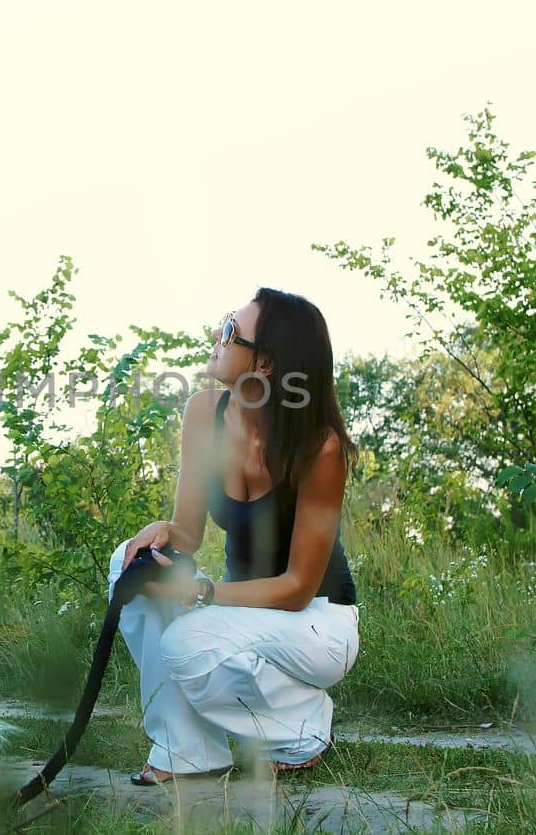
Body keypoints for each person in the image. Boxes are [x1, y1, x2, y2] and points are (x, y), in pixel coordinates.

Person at [111, 288, 361, 784]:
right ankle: (186, 751)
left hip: (318, 623)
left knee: (186, 642)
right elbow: (187, 531)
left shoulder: (320, 448)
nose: (216, 336)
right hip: (239, 616)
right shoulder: (204, 414)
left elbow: (297, 589)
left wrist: (203, 594)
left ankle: (301, 725)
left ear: (265, 364)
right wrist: (162, 533)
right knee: (129, 565)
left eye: (230, 331)